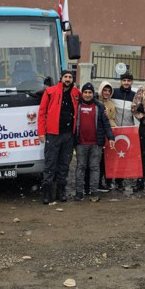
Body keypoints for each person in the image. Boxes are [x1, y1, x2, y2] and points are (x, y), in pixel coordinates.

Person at [37, 70, 80, 204]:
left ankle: (61, 192)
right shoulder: (50, 92)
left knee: (64, 165)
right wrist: (41, 132)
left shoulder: (76, 94)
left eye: (70, 77)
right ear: (61, 78)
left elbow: (89, 101)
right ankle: (46, 194)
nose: (68, 79)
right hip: (53, 134)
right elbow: (42, 113)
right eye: (66, 77)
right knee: (50, 164)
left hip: (68, 135)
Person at [73, 83, 115, 202]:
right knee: (80, 167)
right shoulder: (77, 105)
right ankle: (79, 192)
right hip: (81, 143)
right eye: (85, 92)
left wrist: (111, 137)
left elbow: (106, 124)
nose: (87, 95)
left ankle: (94, 191)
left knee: (95, 167)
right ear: (82, 93)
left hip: (96, 144)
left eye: (90, 92)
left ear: (93, 94)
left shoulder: (99, 106)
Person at [108, 72, 136, 190]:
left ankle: (120, 181)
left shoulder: (135, 95)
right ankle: (108, 180)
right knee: (111, 156)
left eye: (128, 81)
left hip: (128, 130)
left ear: (131, 82)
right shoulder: (114, 92)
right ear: (120, 81)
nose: (126, 83)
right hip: (114, 129)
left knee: (123, 157)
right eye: (124, 80)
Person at [94, 81, 116, 193]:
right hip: (98, 135)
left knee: (107, 160)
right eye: (105, 90)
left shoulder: (111, 104)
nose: (106, 93)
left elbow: (112, 119)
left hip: (109, 134)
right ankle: (96, 183)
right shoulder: (95, 102)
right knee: (97, 161)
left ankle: (107, 181)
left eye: (109, 91)